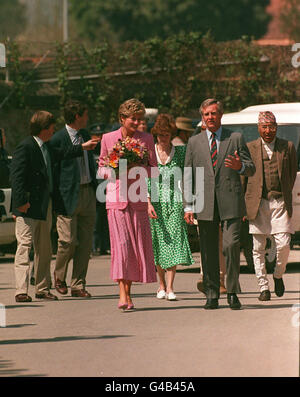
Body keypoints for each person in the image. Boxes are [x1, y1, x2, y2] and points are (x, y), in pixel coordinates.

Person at [11, 110, 97, 302]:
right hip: (27, 206)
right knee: (24, 246)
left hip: (44, 206)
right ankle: (21, 290)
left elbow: (63, 153)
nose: (53, 130)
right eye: (51, 127)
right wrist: (20, 203)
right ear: (44, 129)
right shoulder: (25, 146)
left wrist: (82, 147)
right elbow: (16, 177)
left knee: (44, 248)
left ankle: (42, 288)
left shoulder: (47, 147)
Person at [184, 98, 255, 310]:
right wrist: (188, 205)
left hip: (231, 201)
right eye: (206, 114)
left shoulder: (235, 137)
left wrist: (240, 165)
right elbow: (188, 175)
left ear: (220, 115)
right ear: (202, 118)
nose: (210, 118)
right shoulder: (194, 142)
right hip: (204, 202)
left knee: (231, 245)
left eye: (213, 113)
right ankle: (212, 293)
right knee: (207, 250)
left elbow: (251, 168)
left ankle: (232, 291)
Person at [98, 98, 158, 311]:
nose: (137, 122)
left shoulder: (147, 139)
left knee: (133, 248)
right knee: (121, 246)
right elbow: (101, 169)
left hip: (138, 200)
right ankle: (123, 294)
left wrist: (137, 168)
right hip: (116, 200)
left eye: (140, 119)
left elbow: (154, 170)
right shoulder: (108, 138)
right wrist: (117, 168)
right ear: (122, 119)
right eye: (133, 119)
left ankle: (128, 293)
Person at [242, 111, 297, 301]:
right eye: (264, 127)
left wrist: (282, 196)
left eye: (271, 127)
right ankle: (263, 287)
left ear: (276, 127)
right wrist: (244, 206)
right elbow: (244, 178)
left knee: (284, 244)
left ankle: (278, 275)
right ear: (258, 128)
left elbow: (289, 176)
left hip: (280, 202)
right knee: (258, 247)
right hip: (257, 203)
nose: (268, 131)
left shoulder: (287, 147)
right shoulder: (249, 148)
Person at [50, 100, 98, 298]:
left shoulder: (84, 135)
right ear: (77, 116)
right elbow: (57, 157)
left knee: (85, 242)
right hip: (68, 195)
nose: (87, 118)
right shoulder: (58, 138)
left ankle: (78, 284)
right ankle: (59, 276)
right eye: (85, 115)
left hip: (87, 192)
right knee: (67, 241)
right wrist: (81, 148)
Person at [147, 114, 194, 301]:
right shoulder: (150, 153)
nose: (163, 138)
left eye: (166, 134)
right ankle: (161, 284)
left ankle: (171, 287)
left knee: (174, 241)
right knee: (158, 242)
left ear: (171, 134)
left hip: (175, 201)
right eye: (160, 135)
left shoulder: (181, 152)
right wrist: (148, 202)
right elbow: (146, 179)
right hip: (157, 202)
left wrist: (187, 205)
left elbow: (187, 180)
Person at [89, 124, 110, 256]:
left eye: (101, 135)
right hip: (94, 189)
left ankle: (104, 246)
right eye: (96, 135)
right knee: (95, 221)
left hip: (106, 189)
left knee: (104, 221)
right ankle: (93, 246)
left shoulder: (107, 152)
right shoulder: (89, 152)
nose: (99, 138)